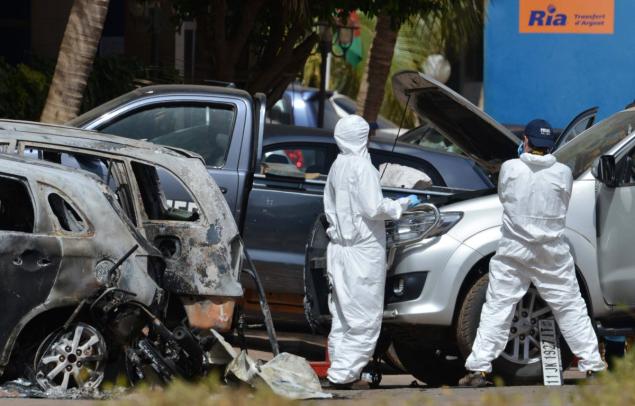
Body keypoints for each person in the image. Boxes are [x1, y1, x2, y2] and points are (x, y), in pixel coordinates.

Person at [459, 119, 606, 387]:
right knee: (571, 308)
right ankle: (594, 365)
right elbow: (564, 202)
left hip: (514, 251)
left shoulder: (510, 168)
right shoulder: (563, 173)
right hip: (551, 253)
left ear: (525, 141)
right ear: (549, 147)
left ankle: (479, 369)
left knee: (498, 308)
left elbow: (504, 197)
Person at [322, 115, 420, 388]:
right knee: (364, 320)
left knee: (342, 316)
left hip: (339, 251)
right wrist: (401, 205)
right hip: (361, 254)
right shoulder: (362, 168)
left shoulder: (337, 165)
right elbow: (373, 208)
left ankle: (338, 370)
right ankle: (341, 376)